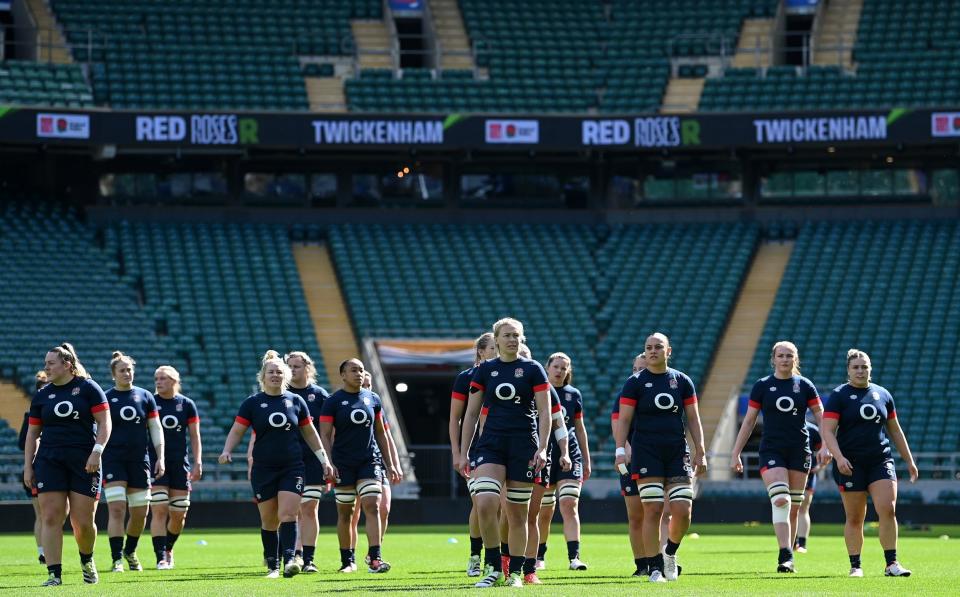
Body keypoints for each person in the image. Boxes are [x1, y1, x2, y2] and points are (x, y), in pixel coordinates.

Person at [456, 318, 552, 588]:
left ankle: (516, 574)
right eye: (507, 335)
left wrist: (542, 447)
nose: (513, 340)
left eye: (517, 336)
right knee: (485, 503)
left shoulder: (533, 369)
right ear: (496, 339)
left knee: (517, 514)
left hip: (523, 445)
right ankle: (494, 567)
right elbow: (471, 414)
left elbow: (545, 412)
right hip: (491, 444)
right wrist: (464, 452)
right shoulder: (485, 370)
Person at [220, 350, 333, 578]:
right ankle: (273, 564)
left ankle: (290, 559)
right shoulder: (252, 403)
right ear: (263, 376)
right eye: (271, 372)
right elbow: (237, 430)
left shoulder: (296, 401)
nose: (275, 375)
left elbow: (311, 434)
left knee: (288, 514)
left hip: (293, 467)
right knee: (269, 520)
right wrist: (226, 451)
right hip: (263, 469)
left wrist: (324, 460)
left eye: (279, 372)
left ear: (286, 375)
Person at [614, 333, 707, 583]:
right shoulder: (634, 383)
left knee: (683, 510)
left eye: (658, 347)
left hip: (677, 451)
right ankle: (655, 567)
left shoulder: (682, 381)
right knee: (652, 510)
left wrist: (701, 450)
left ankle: (670, 553)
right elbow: (623, 419)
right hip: (647, 453)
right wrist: (620, 449)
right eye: (648, 348)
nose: (653, 351)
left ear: (669, 351)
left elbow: (694, 418)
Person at [821, 349, 918, 578]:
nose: (860, 370)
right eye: (856, 367)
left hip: (880, 460)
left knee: (888, 508)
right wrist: (839, 456)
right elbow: (827, 430)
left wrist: (909, 461)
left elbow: (895, 430)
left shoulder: (883, 394)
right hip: (850, 464)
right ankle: (856, 566)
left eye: (864, 366)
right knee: (855, 517)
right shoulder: (839, 395)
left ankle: (891, 564)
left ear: (870, 369)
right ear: (848, 370)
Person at [730, 341, 824, 573]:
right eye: (780, 355)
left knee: (793, 506)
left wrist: (827, 446)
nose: (785, 359)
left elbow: (822, 417)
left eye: (789, 355)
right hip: (771, 450)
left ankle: (789, 555)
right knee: (780, 498)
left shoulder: (805, 386)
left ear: (796, 359)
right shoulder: (762, 386)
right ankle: (784, 553)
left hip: (800, 450)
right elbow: (749, 421)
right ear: (773, 359)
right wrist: (736, 452)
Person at [23, 343, 112, 586]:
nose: (46, 368)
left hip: (85, 462)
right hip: (49, 461)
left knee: (82, 523)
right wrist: (28, 466)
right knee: (50, 517)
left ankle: (86, 560)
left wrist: (97, 452)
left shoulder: (89, 388)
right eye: (46, 363)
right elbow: (32, 434)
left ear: (67, 365)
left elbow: (105, 424)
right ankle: (54, 574)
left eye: (51, 363)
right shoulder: (42, 396)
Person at [319, 358, 399, 574]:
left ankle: (375, 558)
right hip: (343, 463)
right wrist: (329, 462)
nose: (359, 374)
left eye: (361, 370)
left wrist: (390, 463)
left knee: (372, 505)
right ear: (343, 375)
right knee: (346, 513)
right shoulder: (333, 401)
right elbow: (324, 435)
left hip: (369, 461)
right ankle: (348, 561)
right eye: (353, 370)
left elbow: (381, 432)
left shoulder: (373, 398)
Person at [102, 352, 165, 573]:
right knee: (117, 509)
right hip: (113, 460)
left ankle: (130, 550)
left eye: (129, 369)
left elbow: (156, 428)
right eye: (122, 370)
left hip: (140, 460)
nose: (127, 373)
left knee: (140, 513)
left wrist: (161, 456)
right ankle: (116, 558)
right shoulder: (106, 398)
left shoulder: (145, 396)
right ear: (114, 375)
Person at [535, 352, 591, 574]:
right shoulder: (537, 391)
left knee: (569, 505)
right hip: (546, 456)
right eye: (556, 366)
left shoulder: (573, 395)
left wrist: (586, 459)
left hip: (570, 456)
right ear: (547, 368)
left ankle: (574, 558)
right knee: (544, 511)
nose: (560, 371)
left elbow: (579, 428)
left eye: (564, 367)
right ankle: (539, 555)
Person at [519, 346, 570, 585]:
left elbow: (559, 425)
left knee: (532, 515)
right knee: (508, 516)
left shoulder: (546, 389)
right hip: (507, 456)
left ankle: (530, 569)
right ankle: (502, 564)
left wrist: (564, 452)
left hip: (540, 458)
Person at [450, 333, 498, 576]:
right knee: (481, 503)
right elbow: (456, 418)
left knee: (502, 506)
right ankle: (475, 556)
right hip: (478, 450)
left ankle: (502, 559)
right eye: (493, 347)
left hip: (505, 447)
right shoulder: (466, 378)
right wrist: (459, 452)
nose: (497, 351)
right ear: (481, 352)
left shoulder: (510, 373)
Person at [150, 365, 202, 570]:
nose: (158, 382)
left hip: (180, 464)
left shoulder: (187, 404)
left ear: (174, 381)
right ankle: (160, 556)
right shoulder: (150, 402)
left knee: (179, 513)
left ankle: (169, 548)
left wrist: (198, 462)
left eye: (163, 378)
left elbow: (195, 436)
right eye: (156, 378)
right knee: (160, 509)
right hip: (156, 463)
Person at [349, 371, 403, 566]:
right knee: (353, 513)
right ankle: (350, 557)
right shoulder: (346, 406)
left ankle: (374, 553)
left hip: (376, 463)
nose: (366, 387)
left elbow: (387, 438)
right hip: (352, 463)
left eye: (369, 384)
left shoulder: (374, 405)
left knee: (384, 508)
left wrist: (394, 465)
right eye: (363, 384)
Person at [284, 351, 330, 574]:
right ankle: (289, 554)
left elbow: (328, 432)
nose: (293, 370)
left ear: (308, 368)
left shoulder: (320, 395)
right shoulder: (280, 394)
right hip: (287, 459)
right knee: (290, 510)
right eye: (289, 366)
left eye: (297, 366)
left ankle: (308, 558)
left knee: (309, 507)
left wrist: (327, 461)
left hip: (312, 459)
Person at [18, 371, 52, 565]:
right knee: (42, 513)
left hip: (58, 465)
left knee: (58, 512)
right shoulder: (31, 414)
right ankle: (43, 552)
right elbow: (23, 442)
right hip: (38, 467)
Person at [795, 419, 822, 553]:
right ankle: (791, 542)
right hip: (789, 471)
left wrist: (820, 466)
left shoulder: (813, 430)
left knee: (803, 507)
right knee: (790, 506)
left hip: (807, 473)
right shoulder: (785, 426)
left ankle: (802, 543)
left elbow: (827, 447)